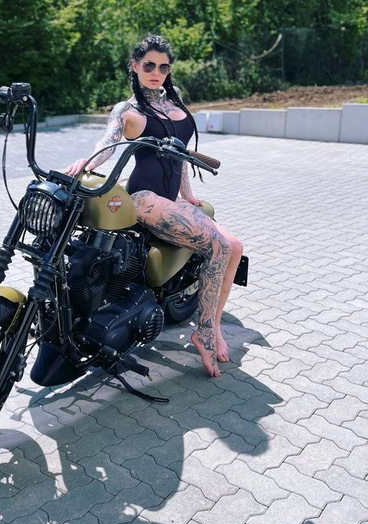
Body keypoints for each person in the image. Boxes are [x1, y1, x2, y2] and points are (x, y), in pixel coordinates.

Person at [65, 33, 243, 377]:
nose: (156, 73)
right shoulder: (128, 110)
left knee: (234, 247)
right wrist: (86, 163)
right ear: (135, 66)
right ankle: (205, 333)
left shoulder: (175, 101)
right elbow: (107, 143)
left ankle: (215, 325)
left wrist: (187, 194)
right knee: (219, 245)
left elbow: (181, 155)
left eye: (163, 67)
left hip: (169, 199)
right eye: (149, 65)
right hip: (145, 198)